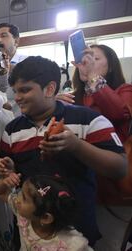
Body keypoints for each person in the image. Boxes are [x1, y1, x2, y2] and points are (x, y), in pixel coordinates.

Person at [0, 56, 127, 246]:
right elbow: (7, 179)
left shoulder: (88, 120)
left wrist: (76, 146)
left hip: (77, 234)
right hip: (30, 235)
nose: (17, 98)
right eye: (15, 91)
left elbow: (120, 168)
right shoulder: (12, 130)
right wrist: (6, 170)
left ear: (49, 89)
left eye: (25, 90)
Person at [58, 44, 132, 251]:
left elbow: (119, 113)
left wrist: (91, 76)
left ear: (111, 66)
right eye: (84, 60)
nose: (87, 63)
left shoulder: (124, 90)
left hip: (112, 184)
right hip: (78, 185)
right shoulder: (72, 97)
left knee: (113, 243)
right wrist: (52, 104)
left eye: (95, 59)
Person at [0, 174, 93, 250]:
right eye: (20, 193)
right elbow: (0, 191)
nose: (18, 199)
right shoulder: (25, 215)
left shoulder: (73, 244)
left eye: (24, 198)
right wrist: (4, 181)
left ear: (45, 218)